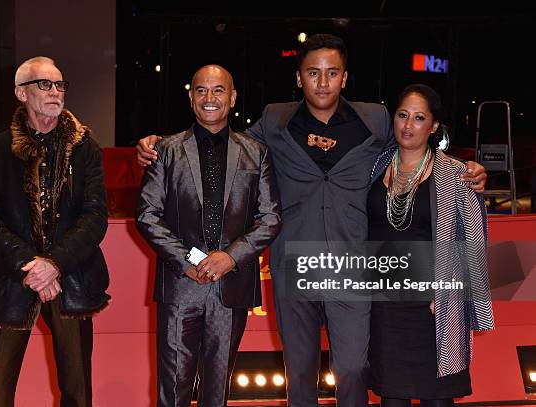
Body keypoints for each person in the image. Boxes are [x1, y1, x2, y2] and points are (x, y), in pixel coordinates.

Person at [137, 34, 487, 407]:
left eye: (331, 73)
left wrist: (465, 167)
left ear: (345, 78)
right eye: (313, 73)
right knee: (300, 375)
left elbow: (413, 146)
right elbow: (222, 142)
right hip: (295, 265)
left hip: (352, 265)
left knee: (353, 370)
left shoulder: (375, 119)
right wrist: (154, 145)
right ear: (299, 78)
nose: (323, 82)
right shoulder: (274, 119)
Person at [136, 64, 281, 407]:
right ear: (190, 98)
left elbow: (271, 217)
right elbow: (147, 214)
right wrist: (188, 260)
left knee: (217, 393)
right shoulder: (166, 150)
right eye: (201, 90)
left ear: (232, 97)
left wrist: (229, 257)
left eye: (218, 90)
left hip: (231, 286)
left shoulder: (255, 152)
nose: (210, 98)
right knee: (172, 390)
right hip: (180, 285)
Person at [0, 56, 110, 407]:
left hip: (71, 279)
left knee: (78, 391)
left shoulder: (86, 149)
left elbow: (95, 217)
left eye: (60, 85)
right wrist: (29, 266)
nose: (55, 92)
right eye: (44, 84)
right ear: (21, 92)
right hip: (10, 280)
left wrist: (54, 265)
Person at [367, 84, 494, 407]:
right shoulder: (373, 167)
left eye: (419, 118)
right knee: (391, 397)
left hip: (433, 307)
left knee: (437, 398)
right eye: (402, 116)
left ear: (434, 125)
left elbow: (473, 241)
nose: (408, 126)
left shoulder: (455, 175)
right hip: (383, 308)